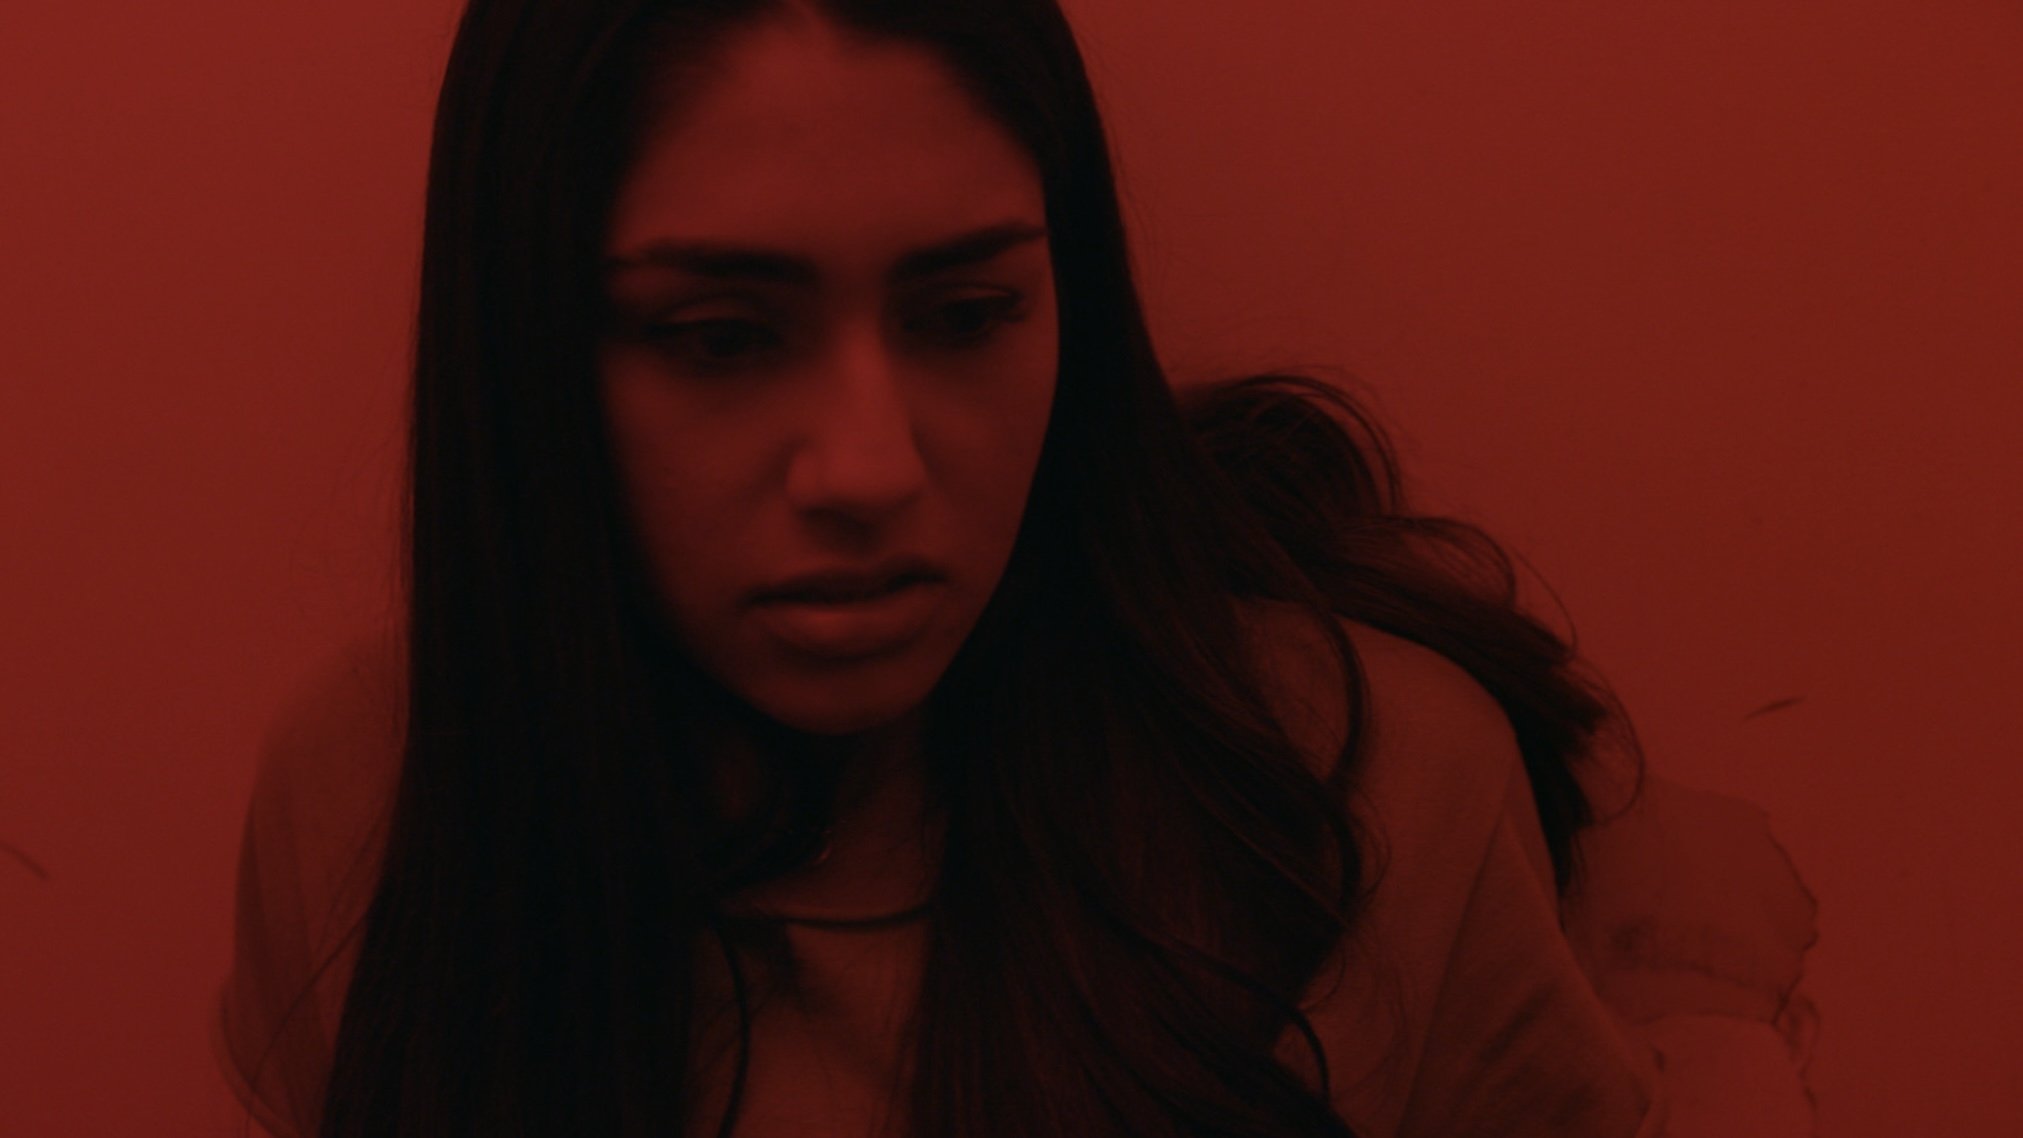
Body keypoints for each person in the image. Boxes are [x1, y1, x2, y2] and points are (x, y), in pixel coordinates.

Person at [211, 1, 1819, 1135]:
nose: (870, 466)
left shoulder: (1376, 794)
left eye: (967, 314)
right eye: (721, 336)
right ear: (529, 354)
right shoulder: (364, 791)